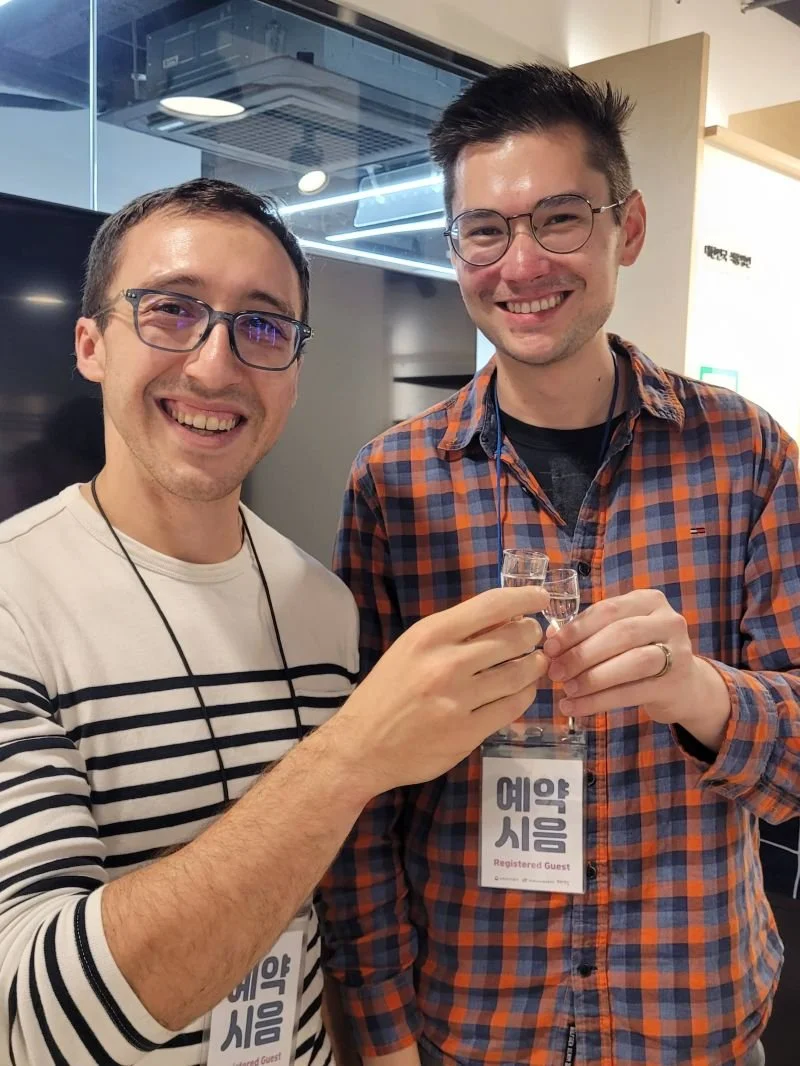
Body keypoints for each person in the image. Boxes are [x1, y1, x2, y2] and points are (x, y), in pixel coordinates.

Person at [0, 177, 551, 1066]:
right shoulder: (15, 600)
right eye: (171, 311)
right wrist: (352, 757)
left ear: (292, 371)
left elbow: (325, 911)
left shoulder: (321, 604)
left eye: (261, 327)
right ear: (91, 344)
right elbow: (40, 1021)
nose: (216, 365)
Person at [318, 65, 800, 1066]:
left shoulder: (746, 455)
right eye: (484, 231)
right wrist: (380, 1027)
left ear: (625, 229)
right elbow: (361, 788)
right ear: (453, 250)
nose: (520, 263)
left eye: (559, 220)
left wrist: (699, 692)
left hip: (691, 1023)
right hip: (474, 1024)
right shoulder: (393, 482)